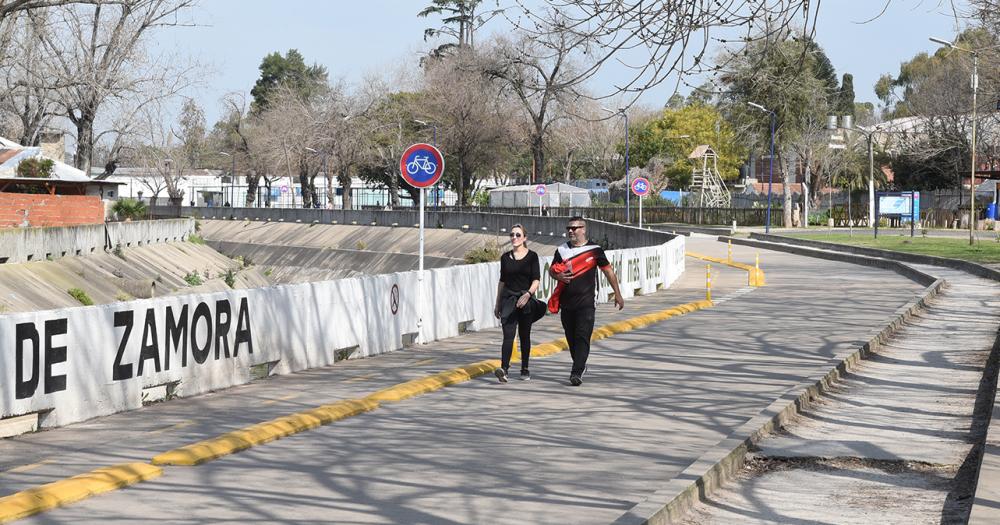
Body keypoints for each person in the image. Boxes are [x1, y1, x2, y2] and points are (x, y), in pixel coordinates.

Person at [549, 216, 625, 386]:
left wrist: (618, 294)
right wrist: (557, 275)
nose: (570, 231)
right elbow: (551, 270)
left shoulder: (595, 250)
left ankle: (576, 372)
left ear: (583, 229)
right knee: (571, 338)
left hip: (587, 303)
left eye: (574, 228)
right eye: (569, 228)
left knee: (582, 336)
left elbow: (608, 272)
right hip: (566, 302)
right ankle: (580, 365)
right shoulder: (561, 250)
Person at [493, 224, 541, 383]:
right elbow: (502, 281)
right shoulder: (505, 258)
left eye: (518, 235)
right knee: (508, 336)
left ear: (524, 238)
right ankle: (504, 369)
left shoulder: (532, 256)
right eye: (512, 234)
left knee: (524, 335)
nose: (514, 237)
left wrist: (528, 295)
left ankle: (525, 368)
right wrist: (497, 303)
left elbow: (536, 280)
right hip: (509, 300)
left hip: (525, 300)